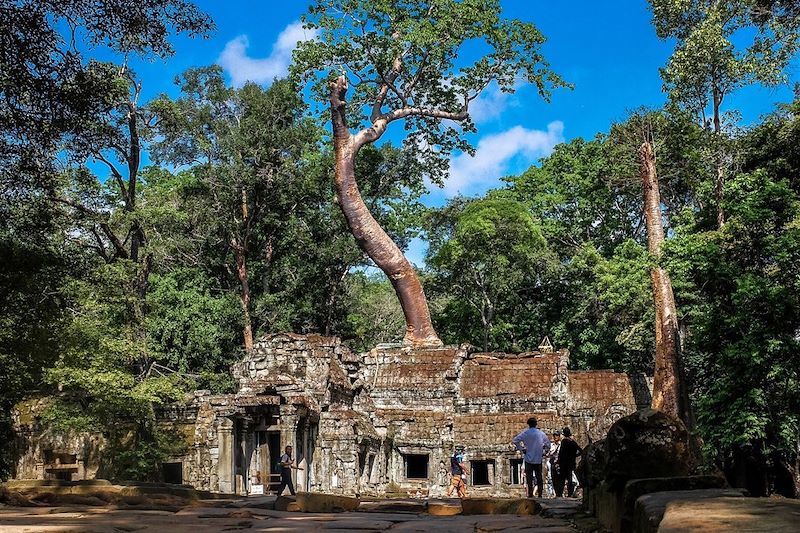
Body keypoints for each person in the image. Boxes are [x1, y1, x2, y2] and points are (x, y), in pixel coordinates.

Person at [512, 417, 551, 498]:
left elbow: (515, 441)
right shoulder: (541, 434)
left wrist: (522, 449)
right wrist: (544, 452)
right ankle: (540, 493)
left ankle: (530, 493)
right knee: (539, 476)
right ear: (536, 424)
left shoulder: (526, 433)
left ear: (528, 424)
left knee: (529, 477)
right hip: (538, 458)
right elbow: (548, 445)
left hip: (528, 458)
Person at [554, 427, 582, 497]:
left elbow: (561, 452)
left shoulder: (564, 441)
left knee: (562, 478)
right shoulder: (573, 442)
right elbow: (581, 451)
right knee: (569, 478)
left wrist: (558, 461)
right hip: (571, 462)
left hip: (564, 463)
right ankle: (570, 493)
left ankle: (559, 493)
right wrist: (574, 456)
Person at [544, 430, 561, 498]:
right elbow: (547, 453)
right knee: (552, 478)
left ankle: (559, 492)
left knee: (560, 478)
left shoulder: (561, 445)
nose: (555, 437)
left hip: (560, 463)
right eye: (554, 436)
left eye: (556, 436)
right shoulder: (551, 445)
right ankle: (555, 493)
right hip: (552, 463)